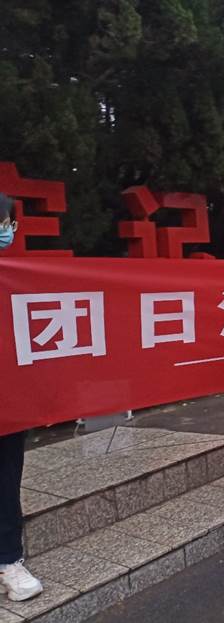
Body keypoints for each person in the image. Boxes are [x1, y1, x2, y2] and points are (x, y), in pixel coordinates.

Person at [0, 194, 44, 603]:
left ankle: (9, 560)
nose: (6, 231)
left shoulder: (19, 281)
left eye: (8, 224)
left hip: (7, 406)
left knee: (5, 480)